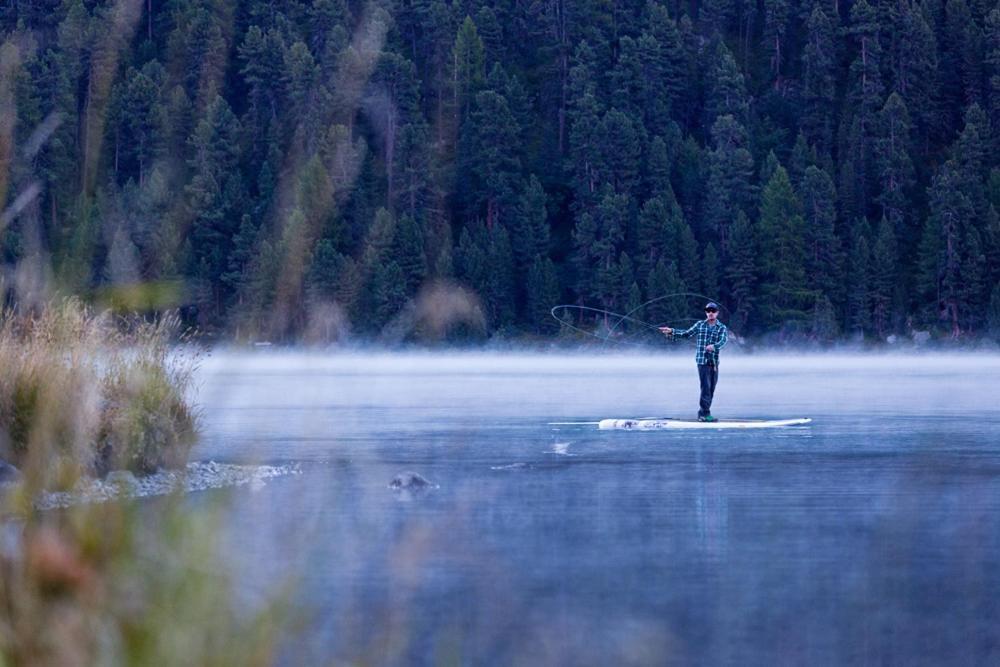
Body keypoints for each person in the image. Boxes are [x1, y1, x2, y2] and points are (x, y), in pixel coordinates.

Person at [658, 302, 729, 422]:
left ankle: (705, 412)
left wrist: (714, 346)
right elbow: (686, 334)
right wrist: (671, 331)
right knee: (705, 388)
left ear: (717, 313)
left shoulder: (722, 327)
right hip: (702, 361)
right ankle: (703, 414)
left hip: (714, 362)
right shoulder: (700, 325)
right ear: (706, 312)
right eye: (708, 311)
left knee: (711, 388)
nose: (710, 313)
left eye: (713, 311)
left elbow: (723, 341)